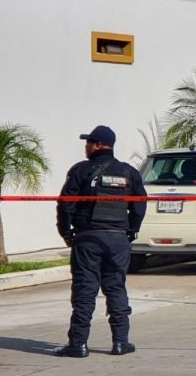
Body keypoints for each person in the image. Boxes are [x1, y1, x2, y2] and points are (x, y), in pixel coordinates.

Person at [55, 125, 146, 357]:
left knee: (85, 290)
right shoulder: (129, 173)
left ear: (96, 145)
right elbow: (139, 205)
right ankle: (120, 342)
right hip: (117, 240)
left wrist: (66, 233)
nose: (86, 147)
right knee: (116, 287)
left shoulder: (81, 170)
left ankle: (78, 344)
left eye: (88, 143)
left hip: (88, 238)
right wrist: (131, 231)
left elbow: (66, 204)